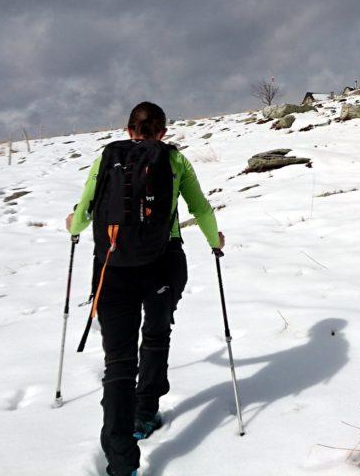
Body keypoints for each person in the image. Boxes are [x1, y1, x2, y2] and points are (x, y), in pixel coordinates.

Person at [66, 101, 224, 476]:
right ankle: (145, 412)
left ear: (128, 130)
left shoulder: (108, 158)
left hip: (112, 268)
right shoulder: (175, 161)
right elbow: (200, 208)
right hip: (163, 265)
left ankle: (121, 461)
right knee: (156, 334)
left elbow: (85, 212)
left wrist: (72, 225)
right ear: (163, 133)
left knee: (118, 361)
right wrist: (215, 240)